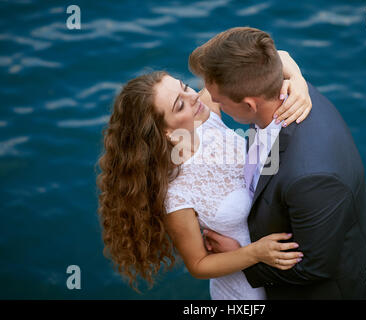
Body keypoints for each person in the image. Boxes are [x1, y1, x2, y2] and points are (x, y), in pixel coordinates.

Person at [96, 49, 312, 299]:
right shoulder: (175, 194)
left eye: (185, 86)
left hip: (280, 269)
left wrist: (298, 82)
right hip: (243, 289)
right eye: (179, 105)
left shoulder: (205, 114)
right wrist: (254, 253)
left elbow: (272, 57)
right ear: (165, 132)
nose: (192, 97)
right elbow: (198, 265)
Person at [193, 27, 366, 299]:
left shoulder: (310, 178)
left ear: (250, 106)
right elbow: (280, 55)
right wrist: (297, 75)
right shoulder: (278, 85)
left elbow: (314, 267)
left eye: (219, 101)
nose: (211, 102)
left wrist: (240, 259)